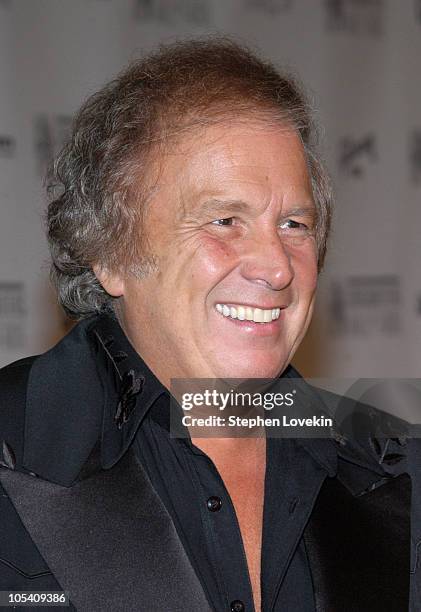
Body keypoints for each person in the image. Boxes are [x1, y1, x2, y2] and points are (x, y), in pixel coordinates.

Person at [0, 38, 411, 612]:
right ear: (111, 254)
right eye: (225, 220)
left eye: (294, 223)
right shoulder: (14, 443)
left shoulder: (395, 463)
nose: (276, 266)